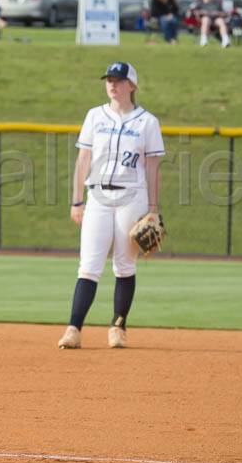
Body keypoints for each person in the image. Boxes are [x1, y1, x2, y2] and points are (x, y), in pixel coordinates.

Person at [59, 62, 164, 350]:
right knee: (89, 266)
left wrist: (153, 208)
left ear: (132, 85)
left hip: (133, 196)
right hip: (98, 197)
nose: (113, 85)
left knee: (124, 264)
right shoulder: (95, 116)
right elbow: (83, 160)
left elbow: (153, 166)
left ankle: (118, 327)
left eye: (119, 80)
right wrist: (76, 200)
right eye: (109, 80)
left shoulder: (147, 122)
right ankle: (73, 329)